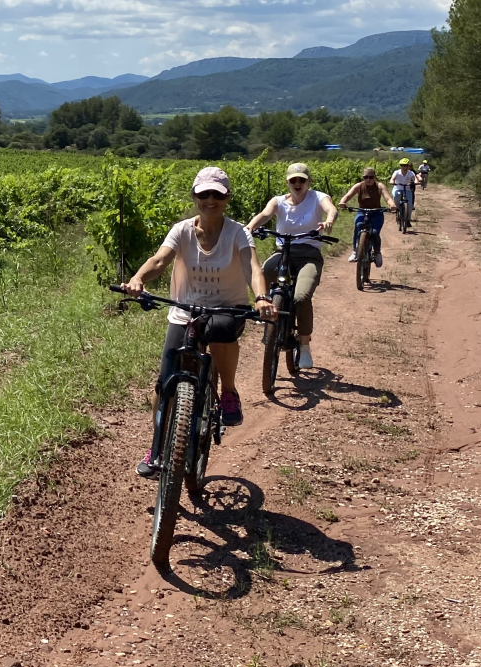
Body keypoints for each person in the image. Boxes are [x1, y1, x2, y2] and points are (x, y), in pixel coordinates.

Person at [124, 166, 272, 478]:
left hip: (227, 308)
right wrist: (138, 278)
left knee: (219, 332)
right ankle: (157, 447)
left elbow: (252, 268)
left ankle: (228, 391)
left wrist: (260, 297)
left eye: (216, 194)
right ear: (195, 196)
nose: (210, 200)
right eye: (203, 194)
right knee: (164, 384)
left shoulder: (237, 233)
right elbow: (159, 260)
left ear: (227, 198)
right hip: (185, 310)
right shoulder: (181, 230)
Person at [245, 162, 337, 370]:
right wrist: (250, 226)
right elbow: (265, 214)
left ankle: (304, 345)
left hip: (309, 255)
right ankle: (267, 305)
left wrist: (329, 221)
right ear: (287, 182)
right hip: (283, 252)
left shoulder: (317, 197)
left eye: (302, 180)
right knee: (263, 272)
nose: (297, 183)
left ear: (308, 182)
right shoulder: (278, 201)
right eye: (293, 180)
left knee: (301, 296)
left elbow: (331, 209)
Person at [338, 166, 397, 267]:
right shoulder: (359, 186)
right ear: (363, 178)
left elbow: (387, 198)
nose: (368, 179)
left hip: (376, 213)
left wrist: (392, 205)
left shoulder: (380, 186)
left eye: (371, 177)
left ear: (375, 177)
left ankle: (377, 253)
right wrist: (342, 202)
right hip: (362, 212)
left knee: (374, 233)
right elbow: (348, 195)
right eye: (366, 177)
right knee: (358, 226)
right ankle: (355, 251)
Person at [390, 158, 418, 229]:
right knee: (397, 195)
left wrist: (416, 182)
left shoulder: (410, 173)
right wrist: (392, 181)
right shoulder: (397, 172)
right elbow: (392, 178)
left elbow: (415, 179)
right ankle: (397, 208)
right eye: (402, 165)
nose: (403, 167)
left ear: (407, 166)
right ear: (400, 166)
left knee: (410, 206)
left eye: (405, 165)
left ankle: (407, 219)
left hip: (407, 189)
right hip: (398, 188)